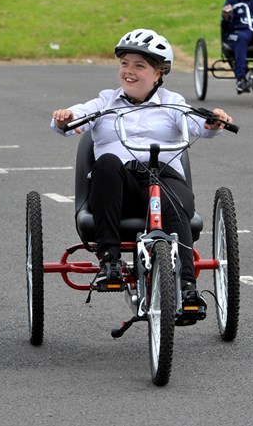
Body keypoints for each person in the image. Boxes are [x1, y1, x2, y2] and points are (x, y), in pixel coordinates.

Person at [51, 28, 233, 326]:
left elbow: (201, 125)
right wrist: (65, 118)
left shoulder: (171, 102)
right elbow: (72, 119)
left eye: (139, 66)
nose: (129, 71)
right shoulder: (105, 102)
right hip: (117, 189)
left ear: (158, 73)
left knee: (170, 193)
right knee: (108, 161)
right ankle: (109, 262)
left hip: (160, 179)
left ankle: (187, 288)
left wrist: (214, 120)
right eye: (125, 64)